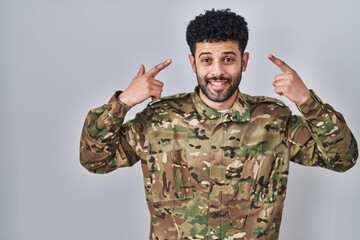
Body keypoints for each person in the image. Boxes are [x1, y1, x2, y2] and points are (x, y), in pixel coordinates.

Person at [79, 9, 358, 240]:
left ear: (243, 61)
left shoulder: (273, 119)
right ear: (193, 63)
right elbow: (94, 160)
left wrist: (307, 101)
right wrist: (123, 101)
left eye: (228, 59)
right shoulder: (158, 120)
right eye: (206, 60)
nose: (217, 72)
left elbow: (343, 158)